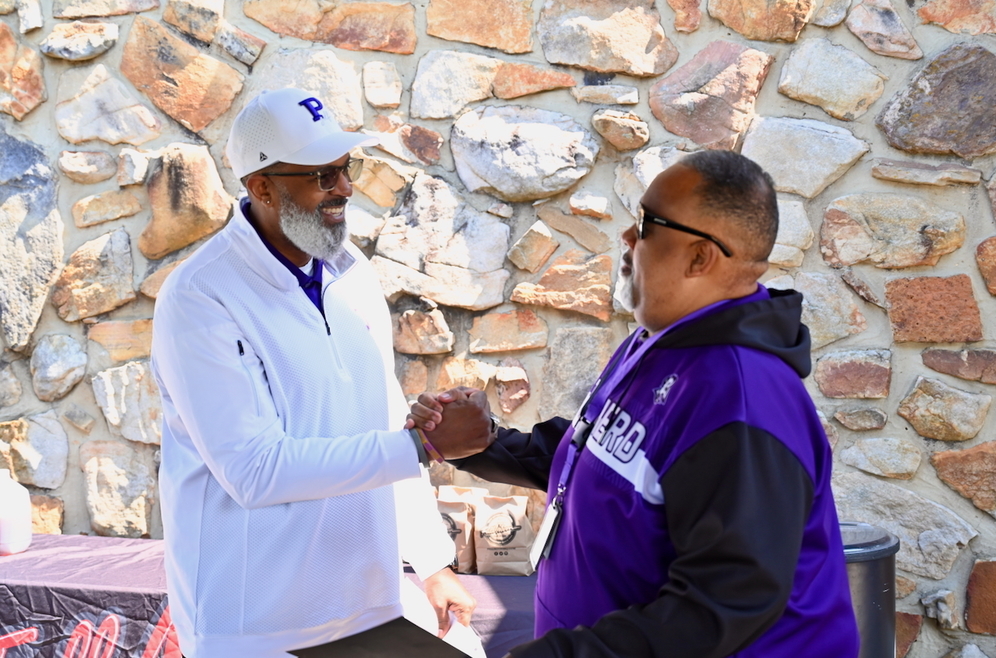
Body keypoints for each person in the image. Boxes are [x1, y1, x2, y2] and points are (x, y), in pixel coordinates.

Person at [409, 151, 860, 657]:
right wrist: (482, 444)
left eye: (645, 224)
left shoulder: (742, 398)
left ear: (699, 257)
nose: (627, 236)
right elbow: (598, 458)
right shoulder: (658, 342)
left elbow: (723, 604)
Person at [151, 87, 478, 658]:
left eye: (346, 168)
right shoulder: (200, 296)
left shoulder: (351, 273)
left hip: (368, 602)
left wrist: (432, 563)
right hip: (257, 625)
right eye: (322, 176)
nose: (345, 188)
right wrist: (422, 447)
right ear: (261, 187)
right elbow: (254, 470)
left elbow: (384, 421)